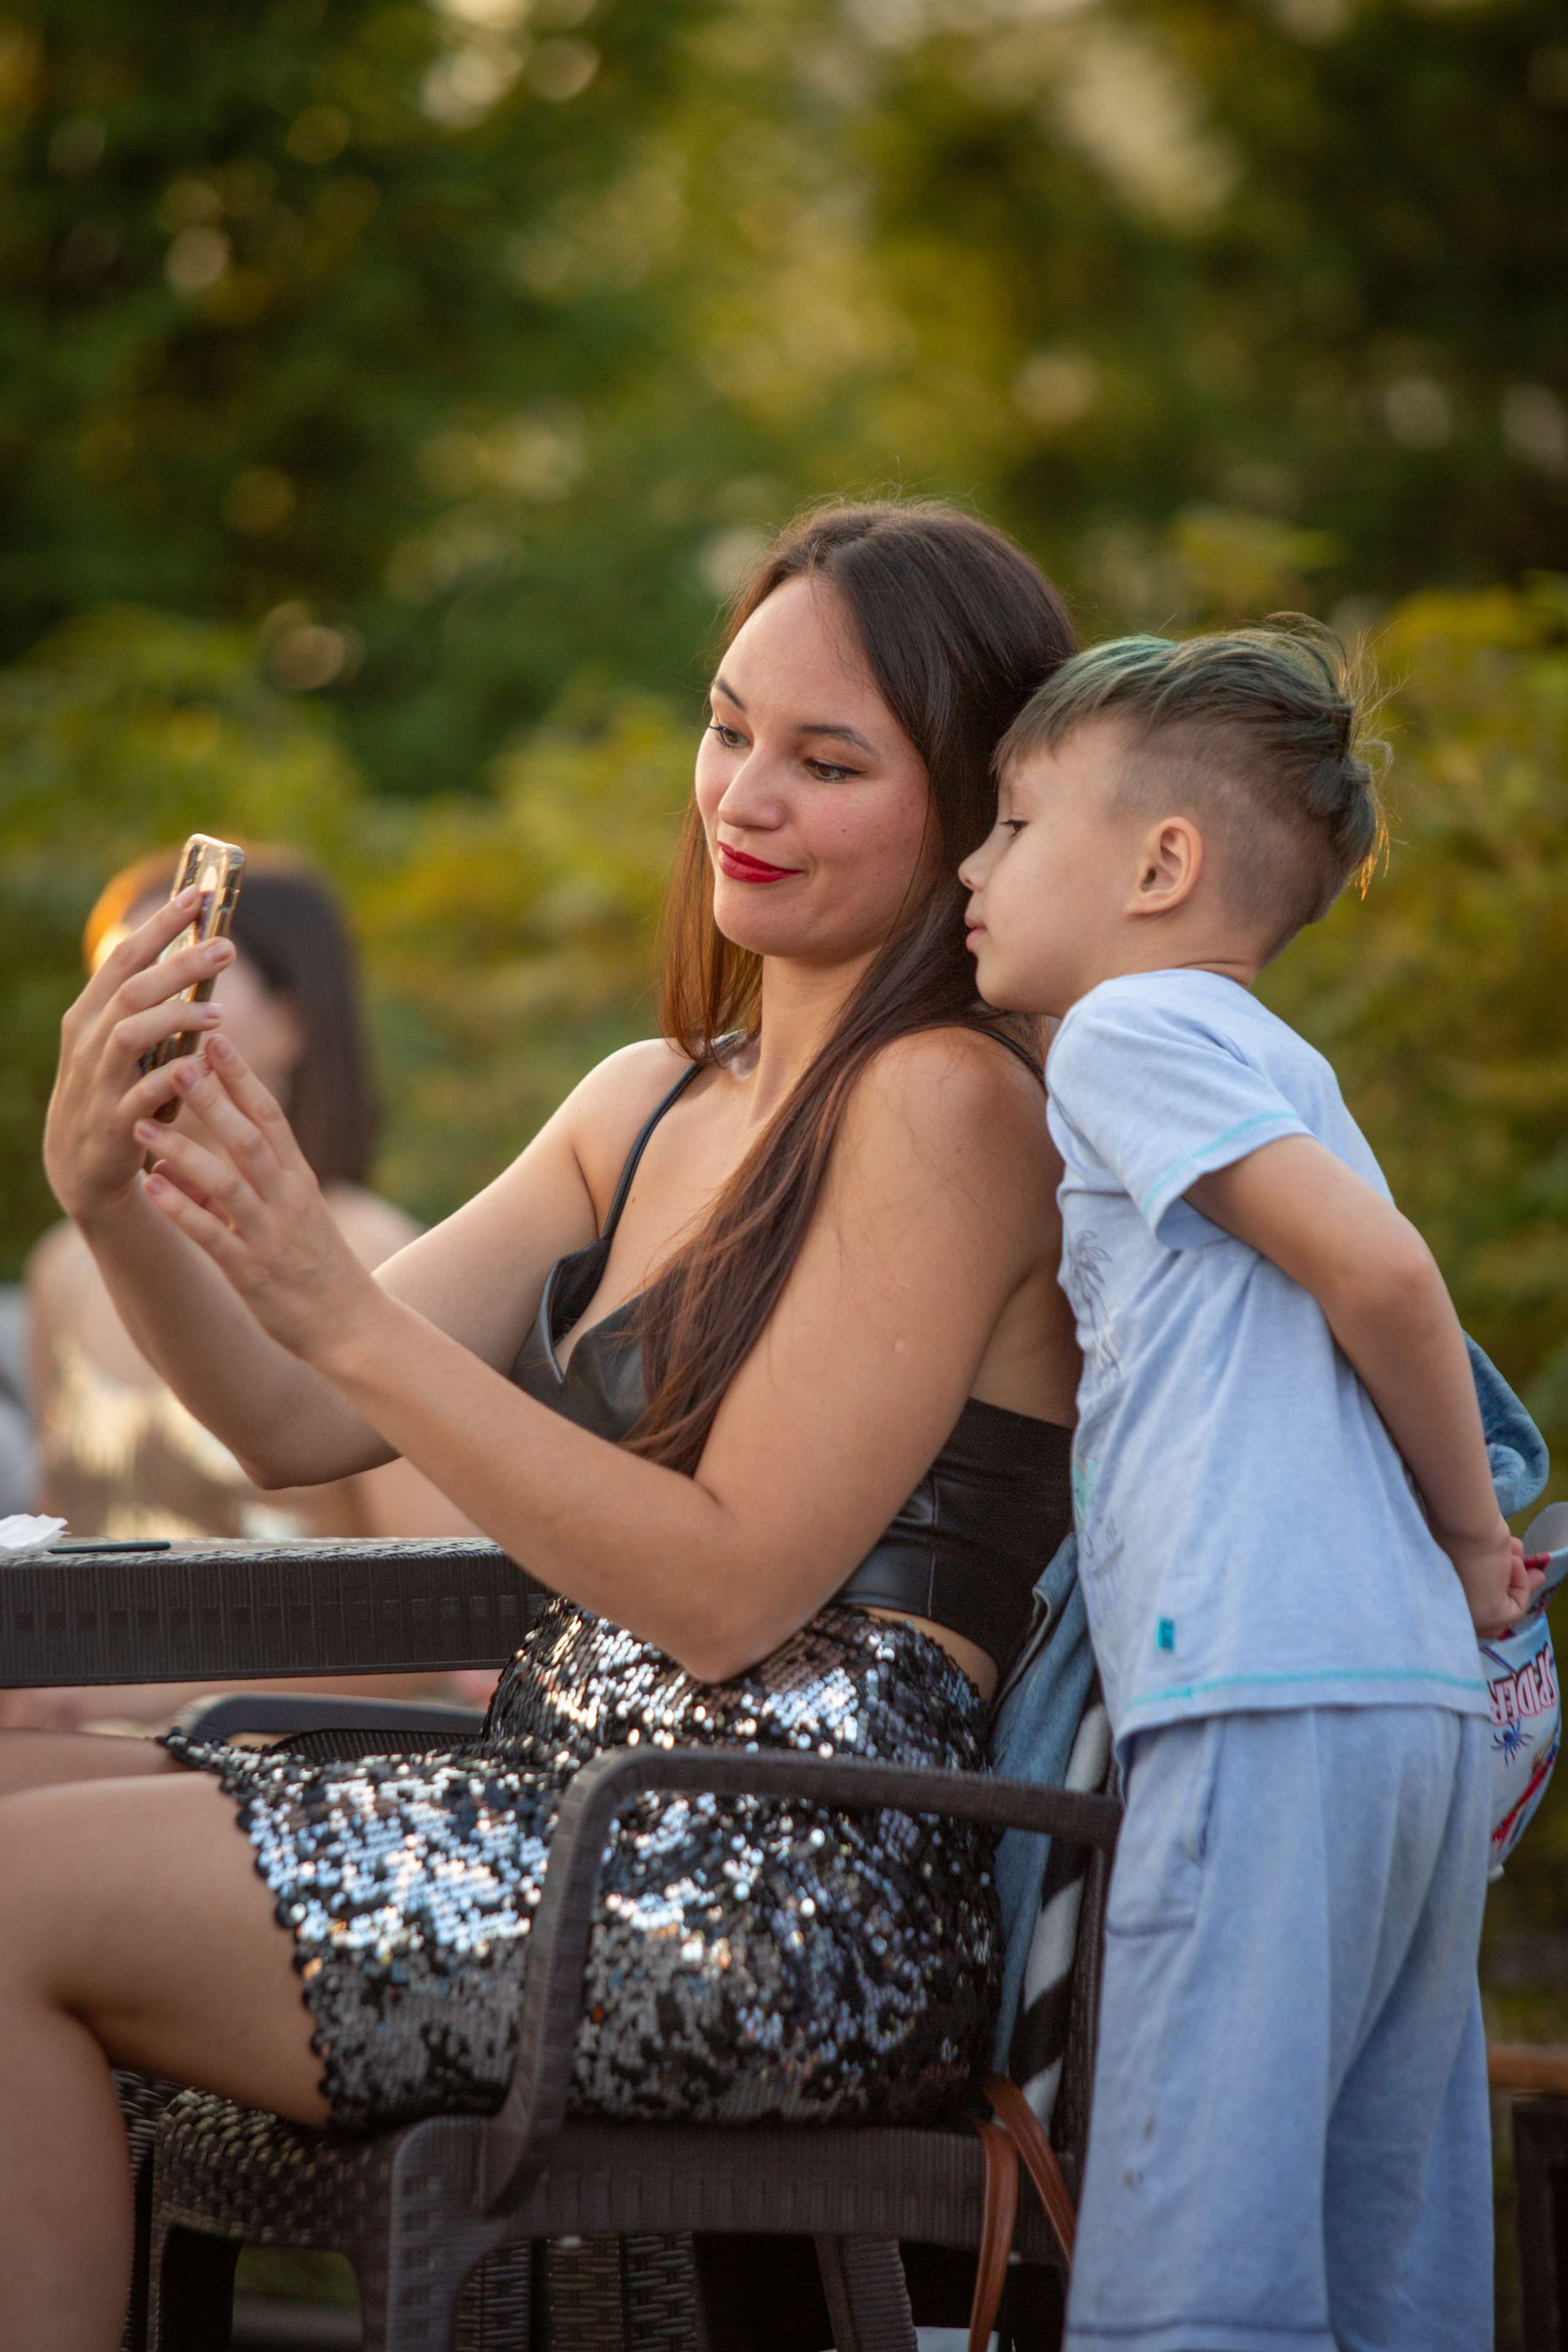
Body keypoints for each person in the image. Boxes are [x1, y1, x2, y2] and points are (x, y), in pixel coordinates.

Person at [0, 500, 1084, 2347]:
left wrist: (339, 1300)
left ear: (974, 810)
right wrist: (101, 1189)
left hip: (776, 1889)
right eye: (730, 726)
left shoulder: (953, 1109)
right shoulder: (651, 1101)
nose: (743, 794)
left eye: (828, 761)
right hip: (563, 1820)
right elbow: (281, 1417)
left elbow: (734, 1593)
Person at [959, 624, 1542, 2352]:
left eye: (1011, 821)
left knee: (1200, 2249)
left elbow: (1384, 1276)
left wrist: (1470, 1530)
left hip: (1258, 1692)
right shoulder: (1277, 1060)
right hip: (1416, 1724)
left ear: (1161, 864)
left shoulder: (1124, 1033)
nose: (974, 870)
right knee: (1388, 2234)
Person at [9, 851, 475, 1732]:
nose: (130, 1021)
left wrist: (146, 1695)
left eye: (178, 983)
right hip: (79, 1741)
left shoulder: (385, 1262)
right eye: (114, 985)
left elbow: (452, 1626)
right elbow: (59, 1559)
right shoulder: (65, 1266)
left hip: (298, 1759)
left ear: (295, 1019)